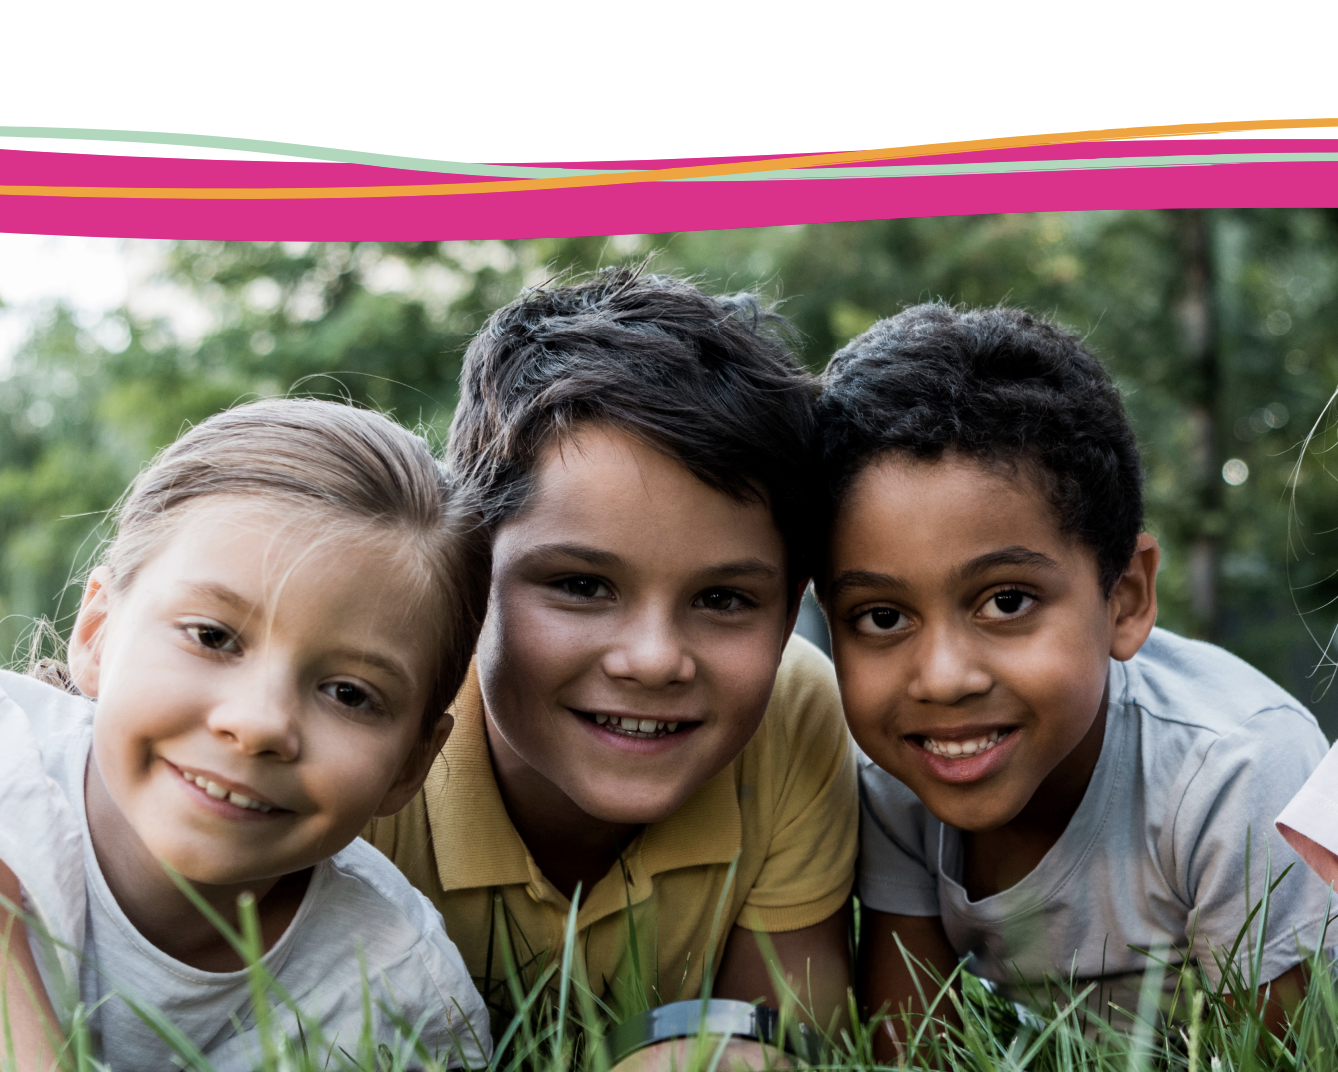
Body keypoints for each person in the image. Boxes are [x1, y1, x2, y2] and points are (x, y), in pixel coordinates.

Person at [815, 303, 1334, 1052]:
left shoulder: (1236, 772)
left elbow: (1288, 1058)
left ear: (1126, 599)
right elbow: (912, 1045)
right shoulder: (897, 773)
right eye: (882, 616)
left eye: (1007, 602)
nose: (942, 680)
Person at [365, 269, 858, 1035]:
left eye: (722, 599)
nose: (654, 660)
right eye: (581, 585)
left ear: (790, 609)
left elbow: (775, 1044)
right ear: (467, 574)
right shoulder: (362, 720)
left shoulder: (794, 710)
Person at [0, 400, 493, 1071]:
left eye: (349, 694)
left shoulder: (401, 999)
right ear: (96, 633)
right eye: (212, 637)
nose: (260, 723)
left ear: (411, 765)